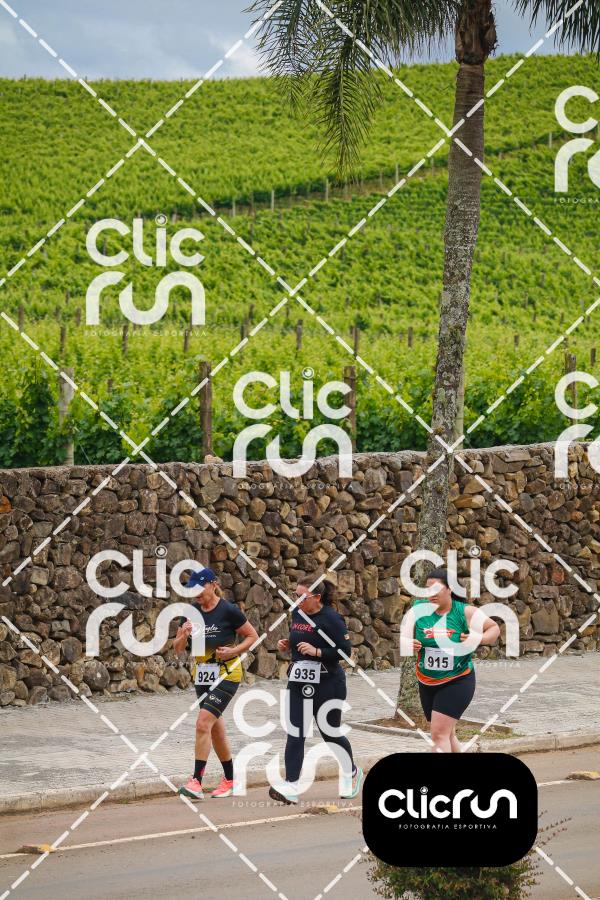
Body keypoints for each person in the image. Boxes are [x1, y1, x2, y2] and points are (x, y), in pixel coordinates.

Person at [270, 579, 363, 804]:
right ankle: (292, 785)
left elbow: (344, 651)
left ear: (317, 598)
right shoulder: (298, 613)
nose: (297, 600)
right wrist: (288, 644)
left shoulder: (332, 618)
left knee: (330, 732)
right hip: (299, 682)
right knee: (296, 732)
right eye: (295, 595)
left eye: (302, 596)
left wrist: (318, 652)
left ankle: (352, 772)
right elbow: (299, 640)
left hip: (328, 683)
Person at [173, 567, 258, 800]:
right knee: (215, 730)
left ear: (213, 585)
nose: (196, 593)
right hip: (202, 676)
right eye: (192, 590)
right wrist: (183, 635)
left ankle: (196, 782)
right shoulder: (190, 612)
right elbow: (178, 649)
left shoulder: (228, 610)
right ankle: (230, 780)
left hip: (226, 674)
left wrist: (233, 651)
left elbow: (252, 636)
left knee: (202, 723)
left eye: (200, 588)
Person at [411, 567, 500, 753]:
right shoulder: (419, 610)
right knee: (447, 734)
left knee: (438, 735)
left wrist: (479, 638)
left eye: (436, 589)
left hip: (457, 680)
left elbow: (494, 628)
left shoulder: (464, 612)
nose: (431, 594)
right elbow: (408, 637)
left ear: (450, 589)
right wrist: (410, 644)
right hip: (427, 681)